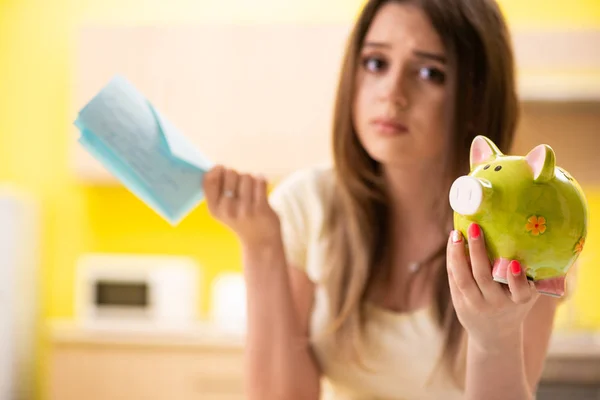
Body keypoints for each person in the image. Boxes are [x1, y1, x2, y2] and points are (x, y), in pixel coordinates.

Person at [203, 0, 563, 398]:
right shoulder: (309, 204)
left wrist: (497, 335)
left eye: (430, 73)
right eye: (376, 63)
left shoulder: (529, 231)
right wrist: (261, 246)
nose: (392, 93)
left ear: (477, 98)